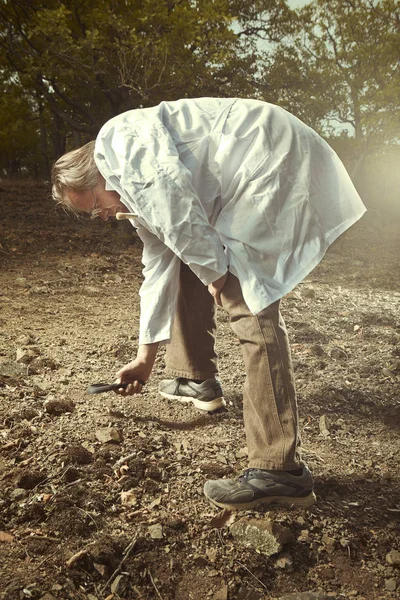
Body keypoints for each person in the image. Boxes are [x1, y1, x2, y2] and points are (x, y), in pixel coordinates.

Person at [52, 97, 366, 511]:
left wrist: (220, 279)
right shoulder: (131, 189)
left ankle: (279, 469)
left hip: (267, 155)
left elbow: (180, 214)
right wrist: (145, 358)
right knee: (190, 260)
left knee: (247, 299)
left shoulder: (119, 144)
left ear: (96, 174)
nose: (103, 217)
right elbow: (159, 266)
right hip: (254, 163)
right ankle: (192, 376)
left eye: (95, 206)